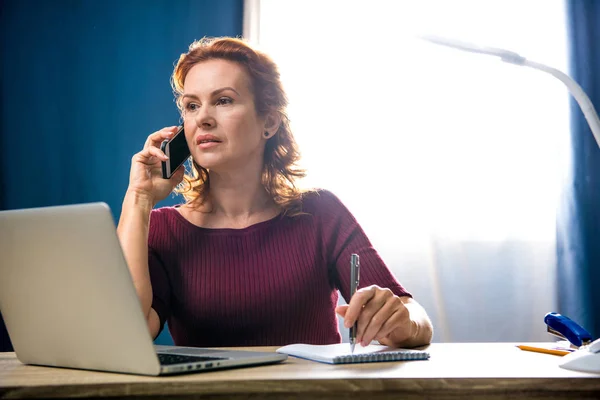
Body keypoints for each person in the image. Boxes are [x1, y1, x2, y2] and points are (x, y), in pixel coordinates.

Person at [117, 37, 433, 348]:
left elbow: (415, 319)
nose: (203, 118)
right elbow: (127, 333)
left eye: (223, 100)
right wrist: (139, 199)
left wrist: (402, 320)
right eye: (191, 106)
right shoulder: (165, 229)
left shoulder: (321, 212)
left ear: (268, 121)